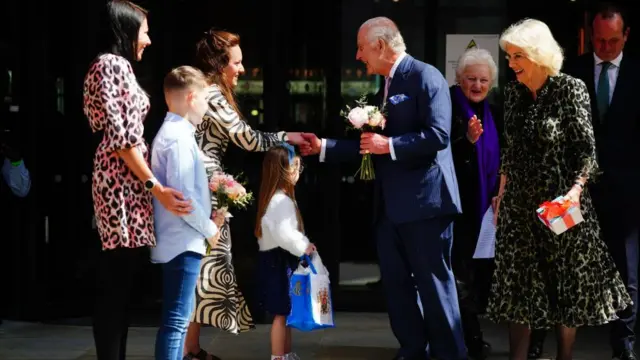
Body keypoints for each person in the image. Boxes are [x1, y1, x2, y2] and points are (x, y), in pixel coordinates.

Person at [300, 17, 465, 360]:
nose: (359, 56)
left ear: (380, 45)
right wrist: (323, 147)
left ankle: (450, 354)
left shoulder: (425, 75)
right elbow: (367, 144)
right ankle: (412, 351)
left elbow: (439, 136)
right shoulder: (386, 85)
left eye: (361, 47)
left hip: (425, 205)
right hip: (389, 208)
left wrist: (387, 146)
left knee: (435, 288)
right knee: (397, 287)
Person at [488, 18, 631, 360]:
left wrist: (575, 192)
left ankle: (565, 356)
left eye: (517, 56)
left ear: (537, 54)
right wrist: (501, 191)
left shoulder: (570, 89)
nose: (511, 64)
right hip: (520, 208)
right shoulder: (513, 94)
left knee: (565, 287)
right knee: (518, 290)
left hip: (559, 205)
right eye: (509, 56)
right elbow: (511, 150)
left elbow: (586, 151)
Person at [184, 29, 308, 360]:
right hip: (206, 192)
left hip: (203, 188)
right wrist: (288, 135)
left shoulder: (205, 93)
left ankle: (191, 350)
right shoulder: (213, 95)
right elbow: (247, 139)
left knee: (203, 269)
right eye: (236, 63)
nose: (241, 69)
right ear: (219, 64)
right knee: (205, 270)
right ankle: (186, 350)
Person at [82, 1, 192, 358]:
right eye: (144, 30)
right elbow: (121, 139)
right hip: (120, 185)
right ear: (126, 30)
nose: (148, 39)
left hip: (125, 181)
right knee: (115, 288)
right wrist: (155, 187)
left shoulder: (117, 67)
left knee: (120, 287)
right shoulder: (110, 65)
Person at [562, 4, 639, 360]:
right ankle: (559, 346)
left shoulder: (637, 72)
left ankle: (623, 344)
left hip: (627, 191)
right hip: (580, 189)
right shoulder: (573, 70)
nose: (605, 48)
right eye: (599, 41)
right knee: (569, 268)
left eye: (612, 41)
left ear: (625, 36)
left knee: (627, 272)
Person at [151, 66, 227, 360]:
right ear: (192, 97)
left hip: (178, 239)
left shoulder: (175, 133)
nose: (207, 107)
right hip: (181, 241)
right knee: (176, 322)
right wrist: (211, 229)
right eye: (206, 99)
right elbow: (183, 200)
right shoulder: (178, 136)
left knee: (176, 321)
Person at [449, 47, 501, 360]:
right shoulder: (449, 107)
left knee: (477, 278)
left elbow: (502, 158)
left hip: (486, 211)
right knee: (461, 277)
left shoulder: (493, 112)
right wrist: (466, 142)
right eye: (471, 79)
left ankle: (472, 336)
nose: (477, 85)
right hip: (456, 209)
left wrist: (500, 190)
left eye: (483, 80)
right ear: (459, 79)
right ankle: (470, 339)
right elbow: (443, 159)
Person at [255, 144, 315, 360]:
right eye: (295, 167)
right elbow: (284, 234)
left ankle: (286, 354)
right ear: (283, 171)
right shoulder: (280, 200)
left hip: (278, 261)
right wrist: (303, 246)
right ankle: (279, 356)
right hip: (278, 263)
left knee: (286, 312)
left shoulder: (278, 197)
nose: (298, 172)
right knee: (281, 313)